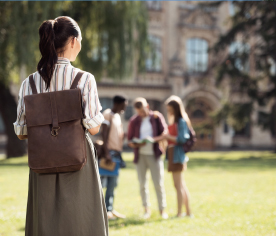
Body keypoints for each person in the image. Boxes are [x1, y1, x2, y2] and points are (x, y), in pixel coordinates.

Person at [13, 16, 109, 236]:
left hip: (43, 161)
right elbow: (93, 128)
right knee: (81, 221)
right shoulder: (84, 79)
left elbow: (21, 132)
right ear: (74, 41)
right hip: (78, 160)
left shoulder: (29, 82)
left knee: (45, 222)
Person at [127, 97, 168, 219]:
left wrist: (153, 140)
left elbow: (165, 134)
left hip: (154, 154)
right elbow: (130, 141)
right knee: (142, 184)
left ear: (147, 107)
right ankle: (146, 210)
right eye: (139, 112)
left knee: (158, 183)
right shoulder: (134, 121)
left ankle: (162, 210)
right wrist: (137, 143)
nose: (141, 113)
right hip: (140, 155)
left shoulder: (156, 117)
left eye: (143, 111)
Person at [154, 95, 193, 218]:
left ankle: (180, 213)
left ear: (175, 109)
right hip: (172, 155)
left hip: (177, 156)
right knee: (181, 185)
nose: (168, 111)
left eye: (170, 109)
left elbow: (182, 138)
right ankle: (188, 212)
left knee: (178, 185)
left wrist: (167, 136)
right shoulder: (175, 121)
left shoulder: (181, 121)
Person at [101, 95, 127, 220]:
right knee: (103, 182)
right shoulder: (107, 114)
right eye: (124, 105)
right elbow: (103, 134)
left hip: (116, 154)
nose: (125, 108)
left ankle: (109, 209)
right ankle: (102, 210)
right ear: (117, 103)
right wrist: (106, 153)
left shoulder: (117, 117)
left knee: (113, 183)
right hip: (108, 153)